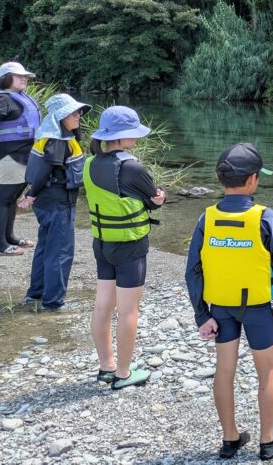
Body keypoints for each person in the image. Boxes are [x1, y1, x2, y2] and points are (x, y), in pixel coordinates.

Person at [186, 143, 273, 461]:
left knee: (224, 372)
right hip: (258, 308)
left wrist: (201, 315)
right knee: (267, 372)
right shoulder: (265, 217)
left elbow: (193, 271)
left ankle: (230, 439)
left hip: (220, 308)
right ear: (253, 180)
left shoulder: (207, 218)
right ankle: (267, 441)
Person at [84, 106, 166, 390]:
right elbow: (154, 199)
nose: (136, 137)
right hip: (130, 245)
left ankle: (106, 366)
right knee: (128, 310)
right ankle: (123, 373)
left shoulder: (90, 163)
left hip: (103, 242)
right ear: (122, 137)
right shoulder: (130, 166)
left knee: (103, 305)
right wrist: (161, 198)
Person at [18, 93, 90, 310]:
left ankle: (36, 294)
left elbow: (42, 172)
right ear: (60, 116)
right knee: (60, 251)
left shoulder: (51, 135)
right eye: (73, 112)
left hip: (48, 201)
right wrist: (31, 194)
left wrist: (33, 194)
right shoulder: (58, 140)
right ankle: (53, 302)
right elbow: (46, 170)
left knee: (46, 247)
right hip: (58, 201)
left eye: (78, 112)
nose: (78, 115)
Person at [0, 62, 41, 256]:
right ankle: (0, 245)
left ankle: (9, 238)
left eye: (25, 76)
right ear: (5, 78)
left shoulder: (18, 98)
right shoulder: (2, 99)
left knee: (12, 198)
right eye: (19, 75)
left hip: (22, 155)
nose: (24, 78)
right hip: (8, 156)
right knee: (4, 200)